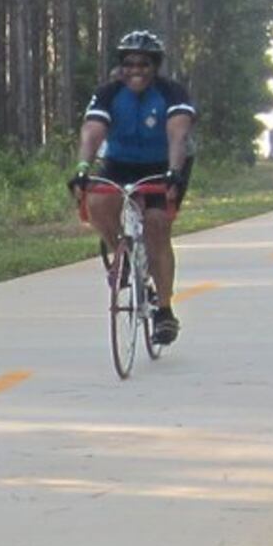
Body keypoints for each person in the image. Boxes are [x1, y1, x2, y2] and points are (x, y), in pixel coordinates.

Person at [74, 26, 195, 344]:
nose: (135, 71)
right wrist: (83, 167)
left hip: (164, 163)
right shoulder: (109, 92)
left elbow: (178, 135)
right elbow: (93, 129)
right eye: (129, 64)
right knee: (97, 201)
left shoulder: (172, 93)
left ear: (155, 67)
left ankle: (165, 312)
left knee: (156, 225)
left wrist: (173, 173)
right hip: (120, 163)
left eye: (143, 64)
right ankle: (121, 254)